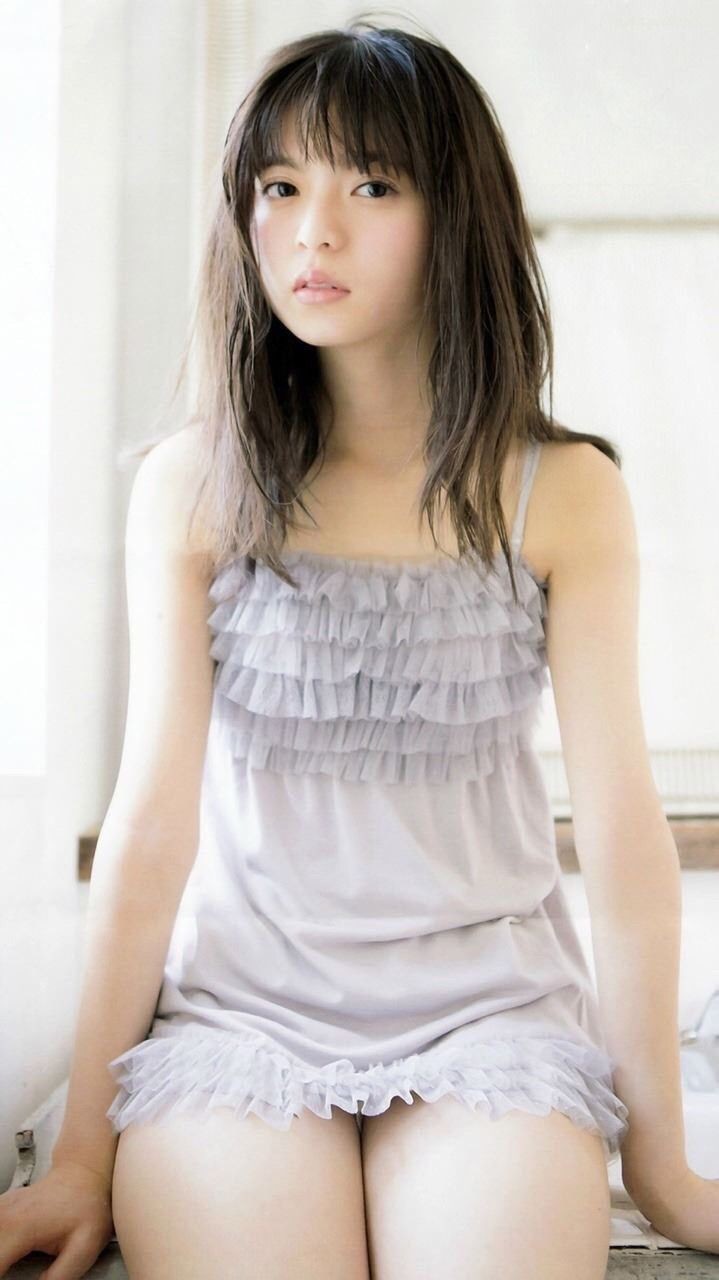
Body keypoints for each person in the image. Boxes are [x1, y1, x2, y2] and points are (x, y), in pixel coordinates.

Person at [2, 15, 717, 1280]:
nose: (311, 232)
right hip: (237, 1023)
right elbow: (151, 827)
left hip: (490, 1026)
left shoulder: (560, 493)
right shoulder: (193, 487)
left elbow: (620, 838)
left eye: (370, 186)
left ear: (455, 215)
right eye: (279, 186)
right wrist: (77, 1159)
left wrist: (658, 1162)